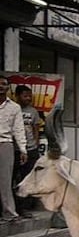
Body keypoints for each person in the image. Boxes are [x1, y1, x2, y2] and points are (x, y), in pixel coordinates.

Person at [0, 76, 27, 223]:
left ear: (8, 88)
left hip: (5, 144)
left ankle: (9, 213)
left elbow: (19, 130)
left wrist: (23, 149)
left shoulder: (14, 107)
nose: (1, 87)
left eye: (4, 84)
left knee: (5, 181)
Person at [13, 85, 40, 217]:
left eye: (30, 96)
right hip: (14, 148)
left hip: (30, 149)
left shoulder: (33, 112)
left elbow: (36, 129)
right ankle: (12, 206)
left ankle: (24, 207)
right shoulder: (13, 109)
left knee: (27, 177)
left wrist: (35, 144)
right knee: (13, 178)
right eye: (25, 96)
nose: (28, 98)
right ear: (17, 96)